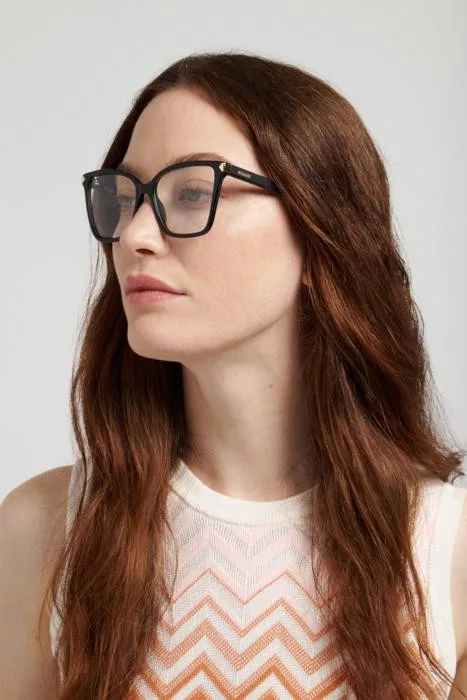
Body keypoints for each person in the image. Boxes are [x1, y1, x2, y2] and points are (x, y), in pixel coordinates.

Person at [1, 50, 466, 699]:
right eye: (125, 198)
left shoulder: (446, 556)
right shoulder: (45, 532)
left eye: (192, 192)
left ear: (320, 230)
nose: (133, 236)